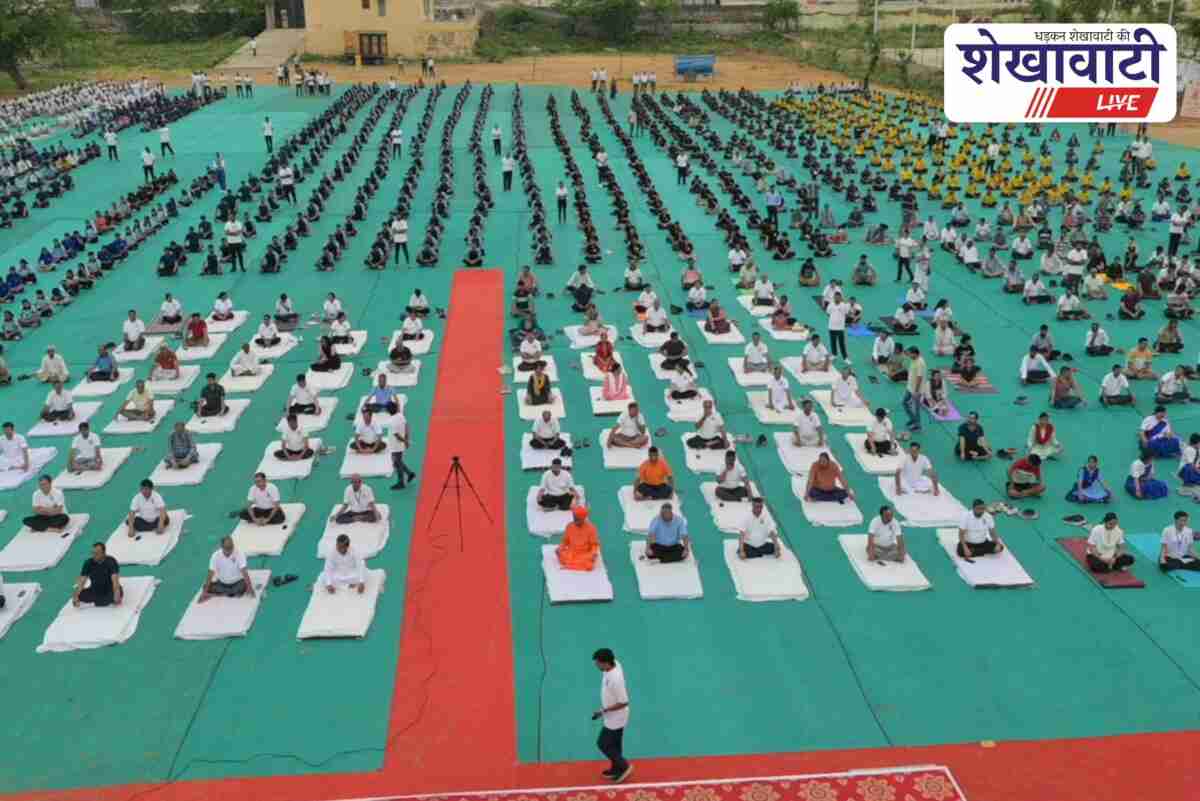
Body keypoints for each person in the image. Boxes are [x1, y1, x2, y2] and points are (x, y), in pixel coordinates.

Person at [592, 648, 633, 783]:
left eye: (598, 663)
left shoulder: (616, 679)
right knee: (615, 744)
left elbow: (624, 702)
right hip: (612, 715)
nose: (596, 665)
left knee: (603, 744)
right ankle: (617, 768)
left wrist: (603, 711)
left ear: (606, 663)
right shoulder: (613, 663)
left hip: (616, 717)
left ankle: (624, 766)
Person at [199, 536, 255, 602]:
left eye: (231, 547)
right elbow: (210, 574)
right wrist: (204, 592)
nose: (230, 549)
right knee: (206, 587)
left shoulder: (239, 554)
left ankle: (225, 593)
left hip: (237, 582)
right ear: (222, 547)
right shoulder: (215, 556)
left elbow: (244, 572)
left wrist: (250, 588)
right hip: (222, 583)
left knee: (242, 586)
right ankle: (231, 593)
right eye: (227, 548)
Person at [72, 543, 122, 608]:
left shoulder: (111, 561)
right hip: (95, 589)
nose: (94, 555)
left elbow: (115, 581)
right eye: (93, 553)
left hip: (109, 589)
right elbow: (82, 581)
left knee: (116, 595)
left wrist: (116, 593)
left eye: (97, 553)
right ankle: (100, 601)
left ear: (104, 553)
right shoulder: (88, 563)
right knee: (80, 595)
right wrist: (75, 596)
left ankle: (97, 602)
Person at [903, 346, 925, 431]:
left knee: (916, 408)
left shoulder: (920, 363)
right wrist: (906, 351)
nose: (909, 355)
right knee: (904, 402)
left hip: (916, 390)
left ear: (915, 354)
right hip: (910, 387)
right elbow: (906, 353)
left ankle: (918, 425)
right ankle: (913, 419)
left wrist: (916, 391)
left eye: (910, 354)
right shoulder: (914, 358)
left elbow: (919, 378)